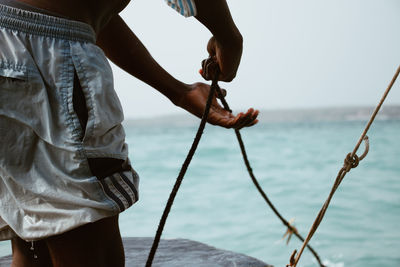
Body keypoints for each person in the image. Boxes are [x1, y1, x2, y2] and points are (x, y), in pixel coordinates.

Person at [0, 0, 259, 266]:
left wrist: (179, 92)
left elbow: (95, 17)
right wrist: (228, 37)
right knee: (89, 244)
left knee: (33, 242)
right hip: (45, 54)